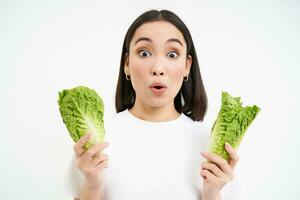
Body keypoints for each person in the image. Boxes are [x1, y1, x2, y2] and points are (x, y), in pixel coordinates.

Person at [65, 9, 248, 200]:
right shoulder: (95, 141)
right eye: (144, 53)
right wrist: (93, 186)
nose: (158, 69)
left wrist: (212, 193)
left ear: (187, 66)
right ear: (127, 64)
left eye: (172, 54)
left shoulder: (211, 147)